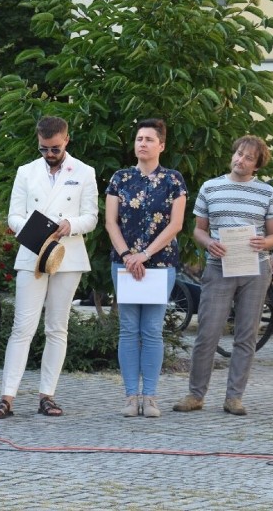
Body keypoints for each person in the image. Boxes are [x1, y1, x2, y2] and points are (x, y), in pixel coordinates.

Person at [0, 116, 99, 419]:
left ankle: (47, 395)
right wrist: (36, 230)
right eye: (43, 149)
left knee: (56, 328)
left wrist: (69, 224)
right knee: (22, 327)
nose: (49, 154)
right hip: (33, 251)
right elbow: (13, 216)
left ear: (67, 140)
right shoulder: (26, 171)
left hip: (68, 254)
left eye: (55, 148)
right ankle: (6, 396)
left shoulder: (85, 172)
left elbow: (91, 216)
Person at [173, 135, 273, 416]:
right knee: (207, 332)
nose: (240, 160)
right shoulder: (211, 188)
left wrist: (264, 243)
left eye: (248, 158)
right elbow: (198, 230)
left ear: (257, 165)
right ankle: (195, 394)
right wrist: (208, 243)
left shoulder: (267, 193)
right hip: (219, 266)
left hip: (255, 267)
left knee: (246, 334)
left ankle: (234, 397)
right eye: (239, 154)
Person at [104, 118, 187, 418]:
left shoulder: (173, 180)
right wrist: (128, 255)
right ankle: (130, 396)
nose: (142, 143)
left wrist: (145, 255)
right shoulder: (120, 179)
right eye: (139, 138)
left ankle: (150, 396)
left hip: (160, 264)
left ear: (161, 145)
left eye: (149, 139)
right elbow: (110, 222)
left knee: (151, 330)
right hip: (124, 263)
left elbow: (176, 224)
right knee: (128, 330)